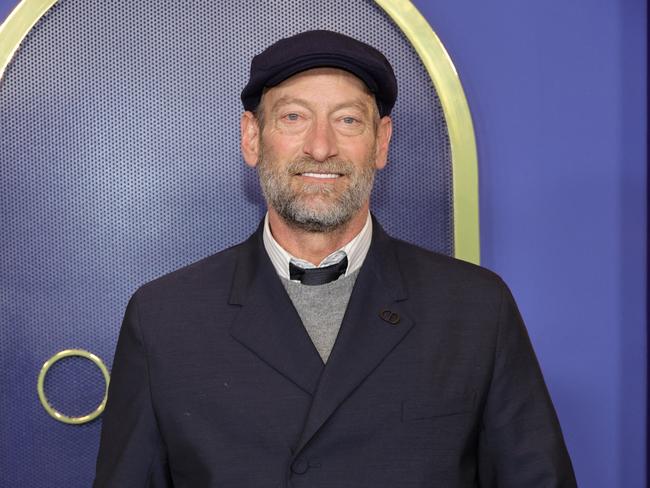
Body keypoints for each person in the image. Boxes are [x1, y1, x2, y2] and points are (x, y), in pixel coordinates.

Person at [94, 30, 576, 487]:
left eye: (347, 119)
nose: (321, 147)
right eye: (293, 117)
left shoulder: (475, 310)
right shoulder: (164, 319)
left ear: (381, 142)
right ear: (252, 137)